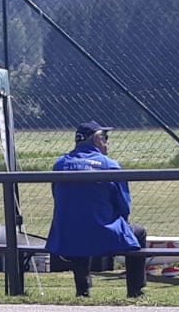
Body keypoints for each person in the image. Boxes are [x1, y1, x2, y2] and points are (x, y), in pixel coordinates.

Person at [45, 121, 148, 299]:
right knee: (138, 232)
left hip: (66, 236)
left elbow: (58, 197)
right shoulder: (110, 165)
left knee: (77, 224)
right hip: (104, 235)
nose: (107, 142)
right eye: (105, 138)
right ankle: (135, 291)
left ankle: (82, 289)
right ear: (97, 139)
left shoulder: (60, 164)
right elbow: (124, 206)